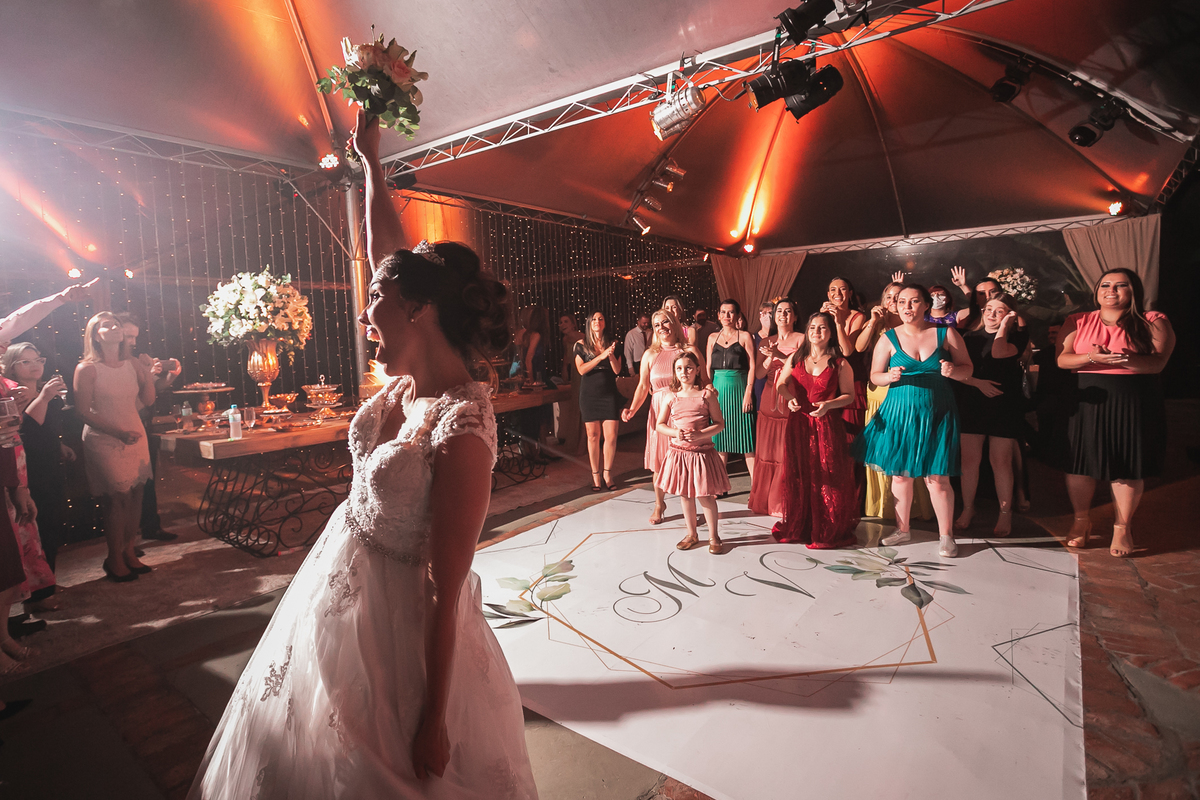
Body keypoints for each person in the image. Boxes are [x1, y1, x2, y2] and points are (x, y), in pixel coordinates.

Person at [188, 110, 537, 799]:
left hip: (402, 629)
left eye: (375, 300)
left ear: (418, 312)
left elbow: (445, 587)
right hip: (336, 583)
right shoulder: (402, 380)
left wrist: (434, 717)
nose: (363, 310)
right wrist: (372, 165)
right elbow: (388, 258)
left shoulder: (463, 426)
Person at [1054, 268, 1174, 557]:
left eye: (1121, 285)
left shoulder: (1153, 320)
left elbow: (1157, 364)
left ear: (1133, 291)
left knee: (1126, 466)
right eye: (1105, 285)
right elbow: (1062, 360)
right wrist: (1092, 357)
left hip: (1132, 400)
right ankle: (1081, 521)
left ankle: (1122, 527)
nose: (1112, 290)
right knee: (1081, 464)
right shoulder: (1078, 320)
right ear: (1096, 291)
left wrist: (1124, 359)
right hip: (1088, 399)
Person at [854, 285, 973, 558]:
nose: (907, 306)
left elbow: (968, 369)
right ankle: (902, 529)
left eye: (914, 301)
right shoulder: (887, 338)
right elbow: (874, 375)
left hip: (937, 413)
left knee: (938, 478)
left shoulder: (946, 333)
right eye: (902, 301)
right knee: (901, 475)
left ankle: (946, 536)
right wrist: (889, 376)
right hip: (899, 413)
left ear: (925, 305)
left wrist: (953, 371)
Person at [75, 312, 156, 581]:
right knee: (117, 498)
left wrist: (147, 373)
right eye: (106, 325)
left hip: (134, 432)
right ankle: (113, 557)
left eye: (117, 324)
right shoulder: (87, 369)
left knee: (136, 494)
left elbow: (147, 400)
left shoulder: (131, 363)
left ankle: (129, 551)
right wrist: (117, 432)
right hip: (104, 438)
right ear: (94, 335)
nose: (114, 328)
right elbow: (82, 412)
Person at [772, 313, 859, 548]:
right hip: (798, 424)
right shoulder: (795, 358)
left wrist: (829, 404)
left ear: (831, 333)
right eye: (812, 327)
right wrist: (789, 397)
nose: (816, 332)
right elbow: (780, 383)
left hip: (827, 426)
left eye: (822, 328)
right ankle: (803, 523)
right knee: (800, 474)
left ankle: (827, 525)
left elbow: (849, 395)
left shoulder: (840, 363)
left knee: (827, 476)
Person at [854, 283, 935, 522]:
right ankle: (883, 508)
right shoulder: (878, 325)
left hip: (906, 396)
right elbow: (858, 348)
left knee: (908, 453)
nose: (893, 301)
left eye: (899, 297)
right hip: (877, 394)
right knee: (881, 454)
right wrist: (872, 322)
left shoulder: (912, 326)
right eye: (889, 297)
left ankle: (916, 508)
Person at [3, 344, 74, 611]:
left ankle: (46, 583)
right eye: (25, 362)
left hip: (49, 464)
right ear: (12, 366)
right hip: (26, 469)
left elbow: (48, 431)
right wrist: (42, 398)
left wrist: (60, 446)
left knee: (52, 524)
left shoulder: (49, 393)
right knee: (37, 526)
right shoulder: (12, 396)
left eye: (38, 359)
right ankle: (35, 596)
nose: (34, 365)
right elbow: (26, 432)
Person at [952, 295, 1030, 536]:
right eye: (988, 309)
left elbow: (998, 351)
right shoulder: (968, 337)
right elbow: (955, 371)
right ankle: (968, 508)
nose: (992, 314)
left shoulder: (1017, 336)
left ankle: (1005, 514)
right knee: (969, 461)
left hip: (1004, 405)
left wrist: (1006, 326)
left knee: (1001, 462)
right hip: (973, 401)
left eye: (1000, 311)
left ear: (1010, 314)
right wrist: (977, 384)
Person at [623, 310, 703, 524]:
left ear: (675, 323)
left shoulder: (688, 350)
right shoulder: (650, 354)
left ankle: (691, 507)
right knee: (659, 462)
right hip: (658, 411)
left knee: (686, 460)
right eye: (657, 324)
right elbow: (642, 386)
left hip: (683, 410)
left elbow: (704, 380)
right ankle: (660, 504)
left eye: (665, 322)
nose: (661, 327)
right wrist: (632, 408)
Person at [116, 313, 183, 544]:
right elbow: (132, 401)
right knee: (125, 489)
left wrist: (169, 377)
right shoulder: (112, 366)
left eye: (135, 336)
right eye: (128, 335)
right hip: (121, 430)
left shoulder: (136, 361)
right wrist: (146, 374)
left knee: (147, 480)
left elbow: (151, 394)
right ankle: (126, 543)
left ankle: (150, 527)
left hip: (144, 425)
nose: (133, 342)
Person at [655, 351, 729, 554]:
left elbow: (720, 424)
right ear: (674, 372)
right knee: (685, 495)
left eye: (688, 367)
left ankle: (714, 535)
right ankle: (692, 533)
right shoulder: (671, 396)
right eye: (679, 368)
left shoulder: (706, 395)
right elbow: (660, 425)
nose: (684, 372)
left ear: (697, 370)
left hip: (701, 454)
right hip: (679, 453)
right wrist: (675, 432)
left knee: (705, 496)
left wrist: (701, 435)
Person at [748, 299, 803, 516]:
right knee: (767, 452)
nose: (783, 315)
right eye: (779, 311)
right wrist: (770, 358)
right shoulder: (766, 341)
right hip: (769, 398)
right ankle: (766, 501)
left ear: (795, 317)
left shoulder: (801, 339)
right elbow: (760, 374)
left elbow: (802, 368)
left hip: (791, 395)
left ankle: (783, 502)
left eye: (788, 311)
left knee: (786, 452)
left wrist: (780, 355)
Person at [705, 300, 756, 478]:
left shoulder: (745, 336)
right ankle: (719, 484)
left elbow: (752, 366)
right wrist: (709, 388)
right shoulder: (712, 338)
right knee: (720, 439)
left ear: (737, 315)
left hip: (740, 388)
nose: (726, 316)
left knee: (747, 440)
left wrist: (749, 393)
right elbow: (707, 367)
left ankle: (756, 488)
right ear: (718, 316)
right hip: (718, 390)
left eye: (731, 312)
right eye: (723, 312)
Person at [575, 311, 623, 491]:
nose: (597, 321)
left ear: (605, 323)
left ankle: (608, 474)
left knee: (610, 436)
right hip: (589, 395)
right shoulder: (580, 345)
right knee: (592, 436)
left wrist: (609, 354)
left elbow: (617, 370)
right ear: (588, 323)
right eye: (593, 319)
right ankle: (595, 476)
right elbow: (581, 370)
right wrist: (600, 357)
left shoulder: (614, 344)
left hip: (609, 394)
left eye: (600, 319)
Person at [555, 314, 584, 454]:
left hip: (584, 373)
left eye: (566, 321)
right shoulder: (565, 339)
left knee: (583, 406)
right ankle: (574, 442)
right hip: (574, 373)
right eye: (561, 322)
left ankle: (583, 444)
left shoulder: (583, 337)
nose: (562, 324)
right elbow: (566, 357)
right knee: (575, 406)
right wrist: (564, 370)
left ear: (573, 324)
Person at [752, 301, 776, 410]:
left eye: (770, 313)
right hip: (759, 380)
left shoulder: (778, 338)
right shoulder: (753, 338)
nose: (767, 316)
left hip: (776, 379)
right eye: (764, 313)